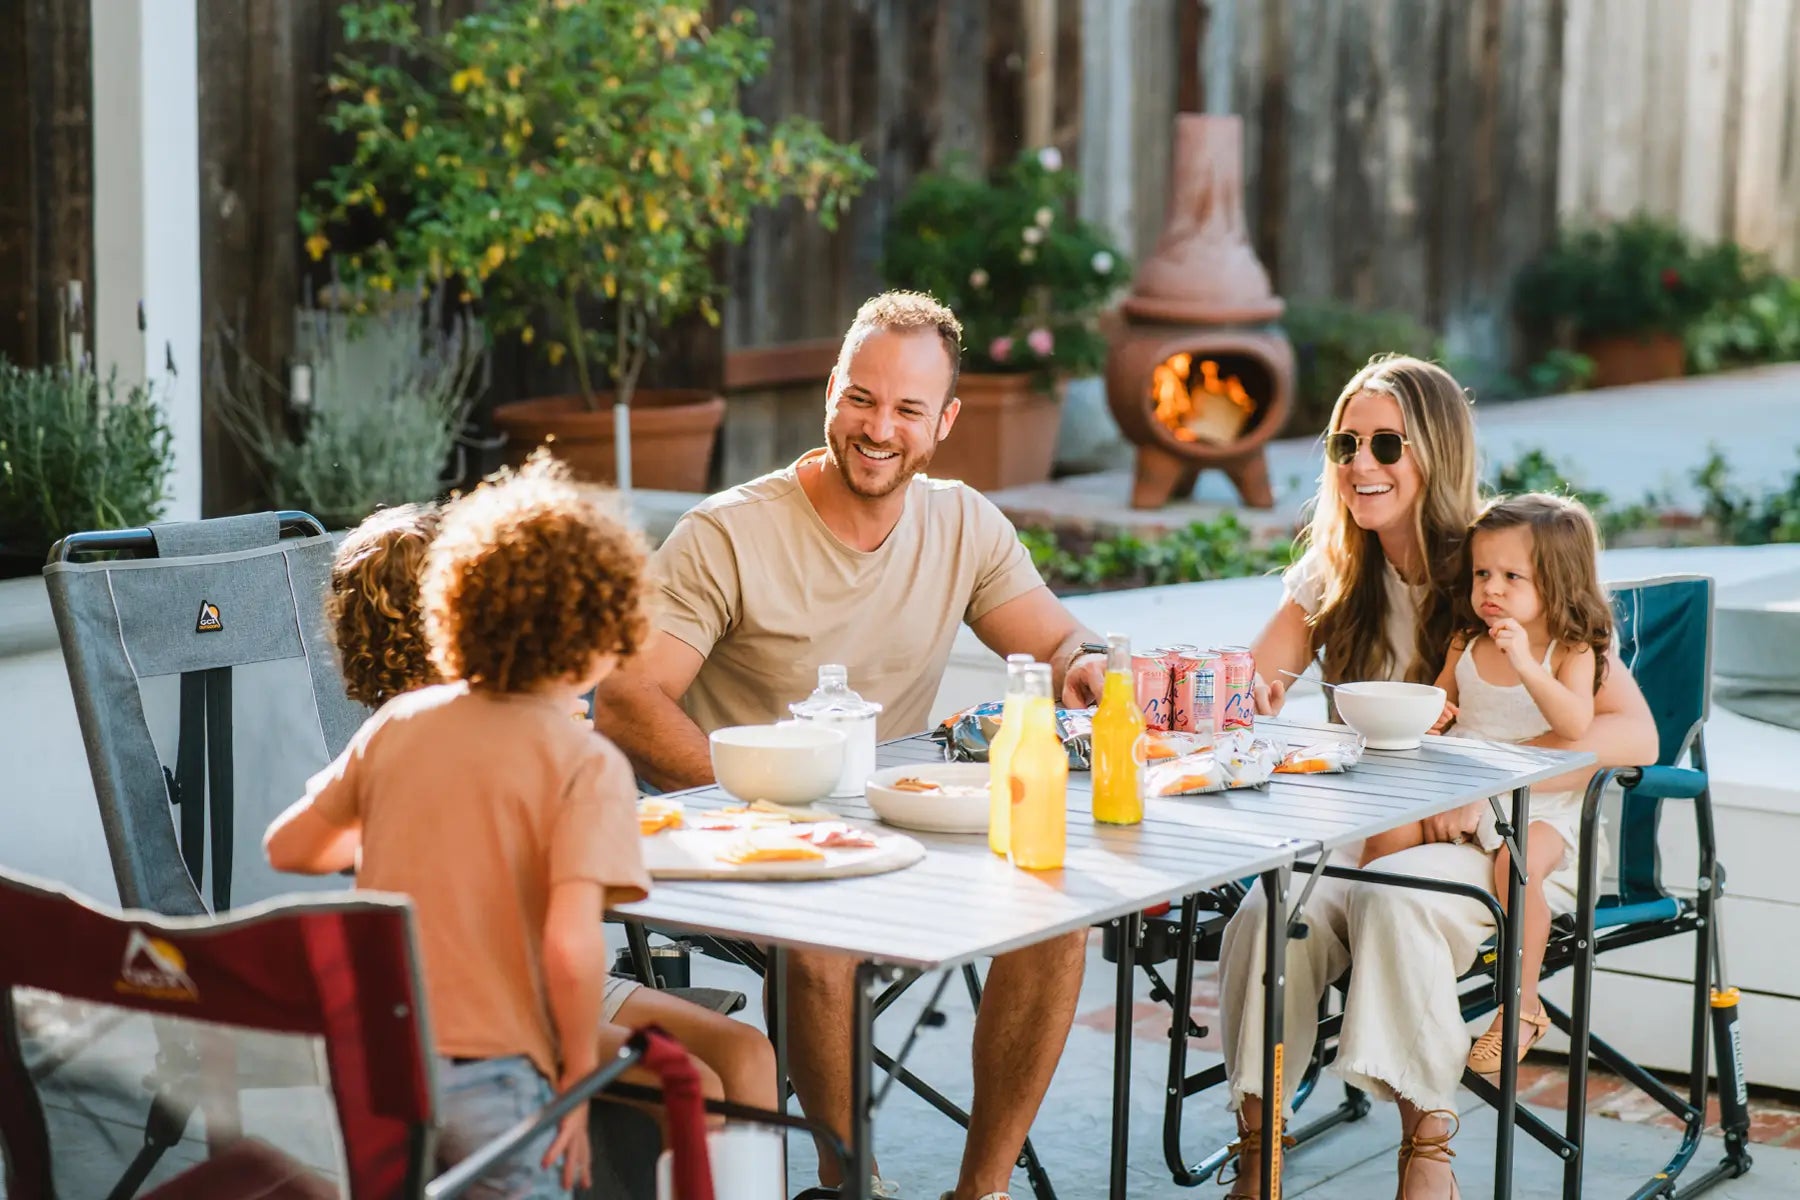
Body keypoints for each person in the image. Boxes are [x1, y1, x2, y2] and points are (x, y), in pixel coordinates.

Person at [593, 290, 1108, 1200]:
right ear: (830, 391)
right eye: (861, 398)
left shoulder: (964, 525)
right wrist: (756, 782)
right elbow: (629, 701)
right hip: (747, 837)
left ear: (944, 422)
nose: (879, 428)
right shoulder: (728, 532)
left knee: (1053, 919)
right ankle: (847, 1185)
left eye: (908, 409)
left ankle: (978, 1192)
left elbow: (1060, 640)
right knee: (826, 940)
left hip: (897, 829)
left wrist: (1086, 662)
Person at [266, 463, 775, 1198]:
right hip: (504, 1040)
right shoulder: (576, 757)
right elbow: (569, 950)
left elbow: (293, 848)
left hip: (395, 1031)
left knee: (742, 1058)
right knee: (691, 1081)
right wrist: (570, 1072)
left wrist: (401, 832)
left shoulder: (397, 728)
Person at [1217, 357, 1658, 1200]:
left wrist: (1489, 782)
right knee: (1272, 914)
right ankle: (1258, 1139)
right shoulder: (1334, 574)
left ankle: (1429, 1151)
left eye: (1388, 443)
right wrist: (1255, 692)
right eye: (1347, 442)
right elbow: (1254, 677)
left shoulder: (1496, 574)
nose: (1361, 463)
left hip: (1495, 840)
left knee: (1395, 898)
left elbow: (1634, 730)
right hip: (1378, 820)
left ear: (1438, 452)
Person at [1359, 493, 1615, 1075]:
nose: (1491, 589)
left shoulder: (1570, 650)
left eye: (1510, 576)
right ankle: (1363, 943)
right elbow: (1446, 699)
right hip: (1465, 801)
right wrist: (1434, 716)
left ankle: (1520, 1004)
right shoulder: (1466, 643)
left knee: (1514, 867)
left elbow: (1576, 725)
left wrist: (1526, 663)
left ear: (1558, 582)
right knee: (1388, 837)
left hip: (1543, 812)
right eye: (1482, 574)